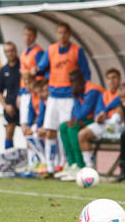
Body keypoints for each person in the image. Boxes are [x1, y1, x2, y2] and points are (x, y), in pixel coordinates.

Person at [35, 22, 91, 173]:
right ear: (56, 34)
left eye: (65, 32)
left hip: (69, 96)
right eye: (59, 32)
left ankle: (67, 162)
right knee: (50, 130)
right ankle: (50, 165)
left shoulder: (76, 51)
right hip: (53, 95)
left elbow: (86, 74)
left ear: (69, 34)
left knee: (66, 129)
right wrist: (36, 71)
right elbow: (41, 68)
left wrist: (81, 94)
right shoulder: (51, 50)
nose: (62, 35)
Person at [57, 69, 104, 177]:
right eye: (71, 82)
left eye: (74, 82)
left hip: (99, 121)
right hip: (87, 121)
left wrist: (76, 120)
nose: (72, 85)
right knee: (63, 127)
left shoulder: (92, 90)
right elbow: (75, 112)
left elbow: (86, 111)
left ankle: (80, 165)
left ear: (81, 81)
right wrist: (74, 119)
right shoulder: (78, 92)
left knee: (73, 127)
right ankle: (71, 163)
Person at [78, 68, 123, 170]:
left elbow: (118, 102)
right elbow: (99, 111)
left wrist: (105, 111)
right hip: (105, 124)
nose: (112, 81)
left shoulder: (123, 91)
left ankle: (112, 126)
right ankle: (89, 166)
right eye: (109, 78)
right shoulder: (104, 94)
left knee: (119, 109)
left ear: (119, 79)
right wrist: (98, 118)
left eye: (114, 78)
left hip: (120, 124)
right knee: (82, 134)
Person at [16, 24, 44, 143]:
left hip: (32, 92)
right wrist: (19, 93)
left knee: (31, 126)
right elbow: (22, 75)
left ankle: (39, 157)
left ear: (35, 37)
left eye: (30, 35)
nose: (27, 38)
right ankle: (32, 157)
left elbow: (40, 72)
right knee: (24, 127)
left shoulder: (38, 52)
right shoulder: (23, 53)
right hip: (24, 91)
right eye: (25, 35)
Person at [0, 42, 21, 150]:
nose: (10, 53)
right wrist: (6, 106)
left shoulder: (23, 66)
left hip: (24, 104)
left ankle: (33, 159)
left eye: (12, 50)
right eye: (7, 51)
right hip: (10, 105)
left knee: (28, 131)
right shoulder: (3, 70)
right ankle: (9, 156)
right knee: (9, 130)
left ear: (15, 51)